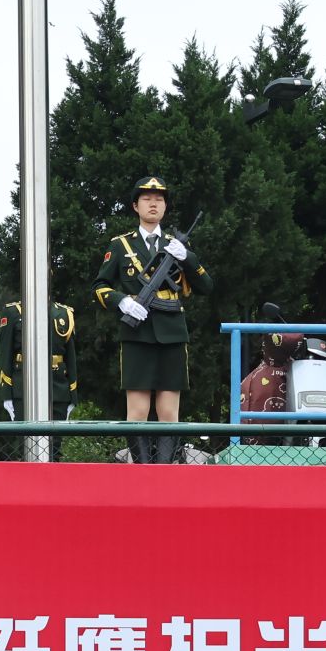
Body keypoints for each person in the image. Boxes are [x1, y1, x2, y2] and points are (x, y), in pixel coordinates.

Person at [92, 175, 211, 464]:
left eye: (159, 199)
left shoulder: (175, 246)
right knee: (137, 412)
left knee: (169, 412)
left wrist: (188, 258)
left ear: (165, 207)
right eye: (146, 199)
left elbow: (206, 287)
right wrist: (123, 302)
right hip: (137, 334)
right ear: (136, 206)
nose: (153, 204)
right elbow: (99, 287)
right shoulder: (120, 245)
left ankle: (164, 473)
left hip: (172, 333)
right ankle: (141, 472)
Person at [0, 299, 78, 423]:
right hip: (23, 388)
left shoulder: (64, 313)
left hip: (57, 389)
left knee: (55, 435)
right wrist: (6, 395)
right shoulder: (13, 312)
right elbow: (5, 354)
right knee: (26, 434)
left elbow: (70, 357)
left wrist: (73, 396)